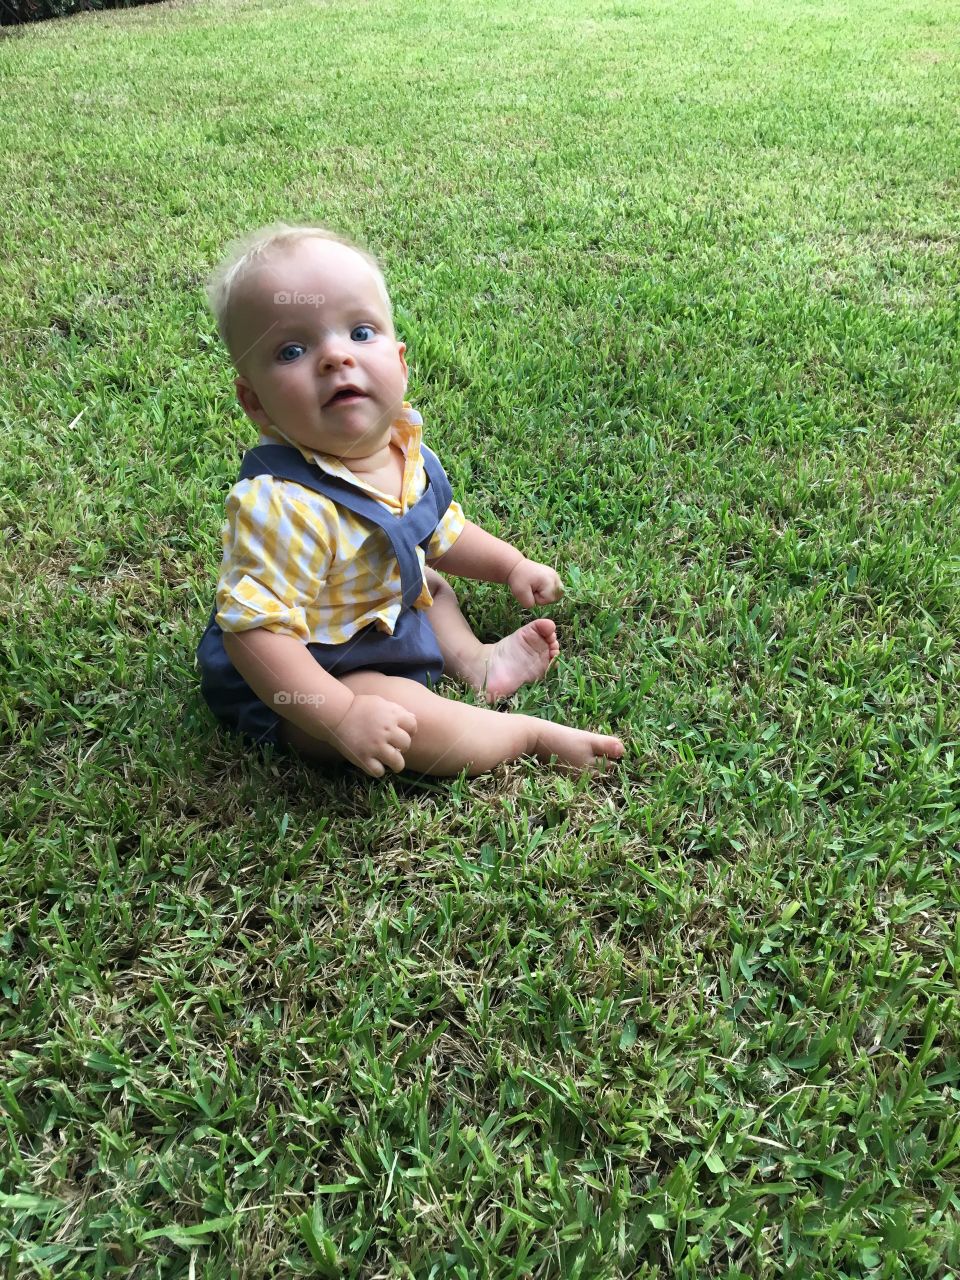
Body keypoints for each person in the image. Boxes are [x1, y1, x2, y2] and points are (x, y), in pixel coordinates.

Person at [196, 223, 626, 779]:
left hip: (379, 617)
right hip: (312, 670)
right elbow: (253, 636)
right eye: (293, 349)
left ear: (400, 362)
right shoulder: (283, 504)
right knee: (405, 714)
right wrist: (341, 712)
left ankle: (476, 660)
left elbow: (440, 532)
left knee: (430, 582)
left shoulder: (403, 452)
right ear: (255, 402)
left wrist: (510, 565)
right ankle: (525, 735)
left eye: (359, 332)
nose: (334, 358)